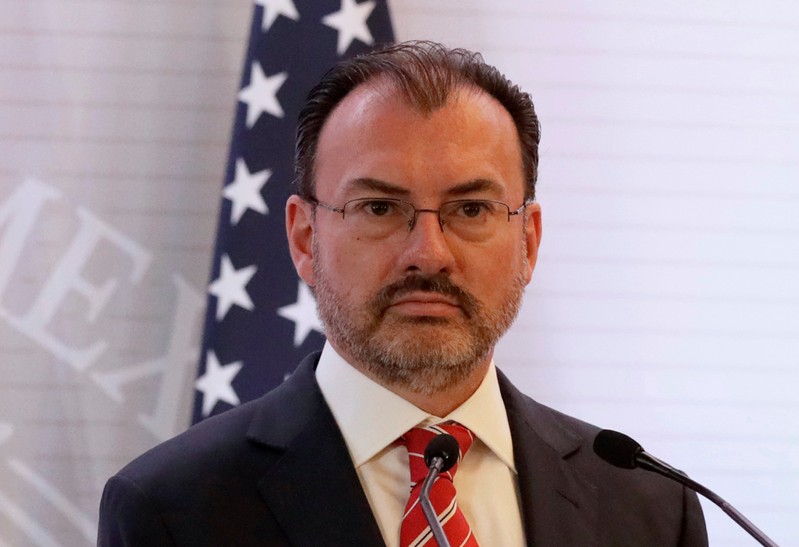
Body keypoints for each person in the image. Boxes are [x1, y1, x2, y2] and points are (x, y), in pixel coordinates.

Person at [98, 41, 708, 546]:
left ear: (528, 239)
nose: (429, 253)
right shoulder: (172, 510)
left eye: (471, 208)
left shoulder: (650, 507)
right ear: (305, 237)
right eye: (380, 207)